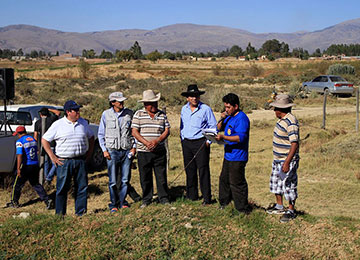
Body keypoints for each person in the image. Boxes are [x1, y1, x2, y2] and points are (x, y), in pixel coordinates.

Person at [42, 100, 94, 216]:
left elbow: (91, 137)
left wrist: (89, 154)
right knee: (62, 189)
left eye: (78, 110)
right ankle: (60, 214)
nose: (78, 112)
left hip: (80, 160)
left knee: (82, 187)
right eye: (75, 110)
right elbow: (45, 140)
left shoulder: (83, 123)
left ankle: (81, 213)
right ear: (68, 112)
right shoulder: (58, 125)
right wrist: (52, 157)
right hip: (64, 161)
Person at [98, 92, 137, 213]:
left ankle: (123, 201)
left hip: (126, 150)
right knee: (113, 181)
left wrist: (134, 147)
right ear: (113, 102)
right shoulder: (106, 114)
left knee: (125, 179)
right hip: (112, 151)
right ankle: (113, 204)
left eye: (122, 101)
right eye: (119, 101)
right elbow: (101, 134)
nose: (121, 103)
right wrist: (104, 150)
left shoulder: (129, 113)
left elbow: (134, 132)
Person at [131, 89, 170, 207]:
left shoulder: (162, 115)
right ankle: (146, 199)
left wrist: (157, 141)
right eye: (150, 103)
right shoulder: (138, 114)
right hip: (144, 151)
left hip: (159, 150)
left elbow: (167, 130)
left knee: (161, 175)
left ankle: (163, 198)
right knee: (145, 176)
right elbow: (134, 131)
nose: (154, 105)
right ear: (145, 104)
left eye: (155, 103)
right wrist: (146, 142)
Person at [180, 84, 217, 205]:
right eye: (191, 96)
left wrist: (208, 141)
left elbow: (213, 126)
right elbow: (182, 125)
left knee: (203, 170)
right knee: (189, 170)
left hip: (200, 142)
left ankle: (207, 198)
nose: (194, 98)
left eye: (196, 96)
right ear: (187, 98)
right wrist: (183, 138)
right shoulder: (183, 109)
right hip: (187, 142)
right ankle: (192, 196)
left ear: (199, 97)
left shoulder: (205, 109)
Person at [266, 94, 300, 223]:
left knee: (288, 184)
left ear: (281, 109)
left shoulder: (291, 122)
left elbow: (294, 143)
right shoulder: (282, 120)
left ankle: (291, 210)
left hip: (287, 159)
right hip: (278, 158)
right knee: (276, 182)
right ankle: (279, 206)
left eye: (276, 108)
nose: (274, 111)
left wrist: (287, 162)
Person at [215, 93, 250, 213]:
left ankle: (242, 209)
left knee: (237, 183)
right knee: (224, 179)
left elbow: (240, 138)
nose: (226, 109)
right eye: (225, 107)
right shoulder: (228, 117)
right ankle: (224, 202)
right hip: (228, 155)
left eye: (228, 107)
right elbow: (218, 127)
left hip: (238, 156)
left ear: (236, 106)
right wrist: (222, 117)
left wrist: (224, 138)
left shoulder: (242, 119)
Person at [7, 126, 52, 209]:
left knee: (17, 184)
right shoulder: (32, 139)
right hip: (35, 165)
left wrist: (18, 168)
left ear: (20, 134)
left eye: (17, 134)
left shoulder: (20, 142)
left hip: (25, 165)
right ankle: (47, 199)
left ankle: (14, 202)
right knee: (35, 184)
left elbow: (19, 155)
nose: (17, 136)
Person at [34, 107, 60, 183]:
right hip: (51, 144)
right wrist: (49, 109)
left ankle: (46, 177)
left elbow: (35, 136)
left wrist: (38, 146)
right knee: (54, 162)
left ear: (40, 114)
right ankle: (48, 178)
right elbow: (58, 113)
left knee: (46, 162)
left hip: (43, 145)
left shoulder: (38, 122)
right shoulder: (52, 120)